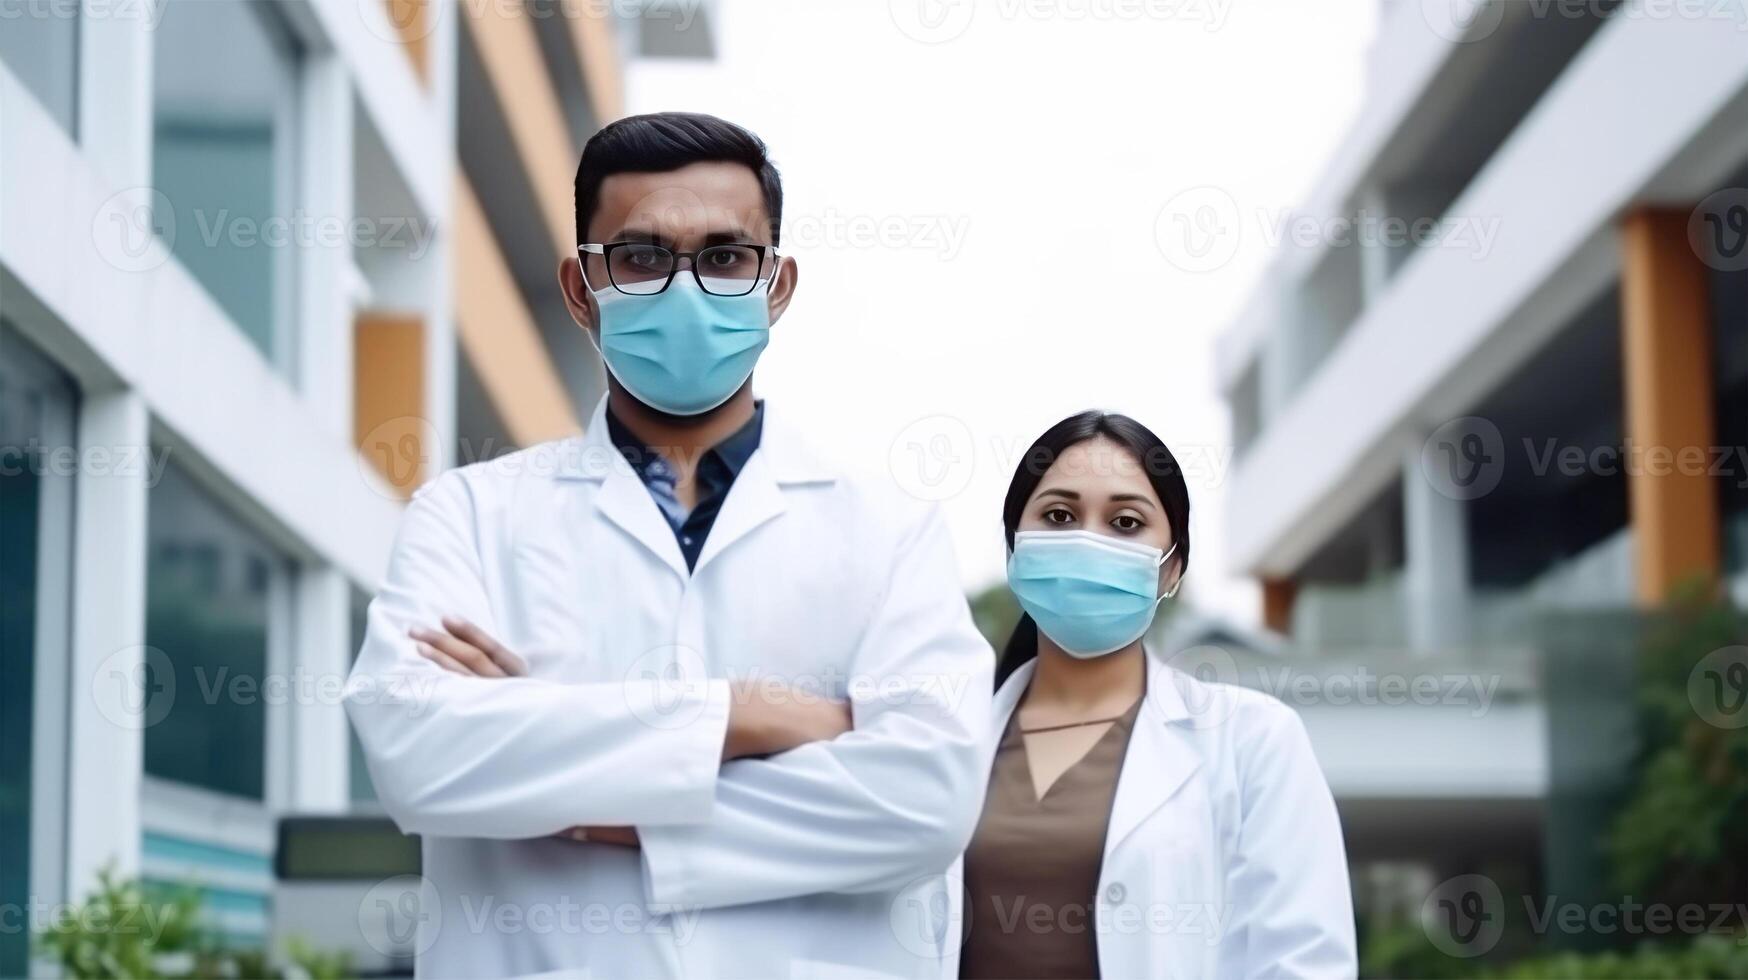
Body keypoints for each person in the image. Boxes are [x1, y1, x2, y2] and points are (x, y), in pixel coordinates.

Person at [344, 112, 994, 979]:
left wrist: (583, 792)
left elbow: (927, 800)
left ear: (778, 285)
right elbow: (420, 752)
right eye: (643, 258)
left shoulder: (887, 532)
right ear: (581, 291)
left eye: (725, 257)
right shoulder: (466, 514)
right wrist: (750, 715)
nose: (685, 289)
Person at [945, 410, 1356, 979]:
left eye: (1126, 523)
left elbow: (1305, 962)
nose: (1088, 541)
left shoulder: (1254, 741)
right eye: (1059, 515)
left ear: (1172, 570)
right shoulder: (948, 735)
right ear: (1015, 550)